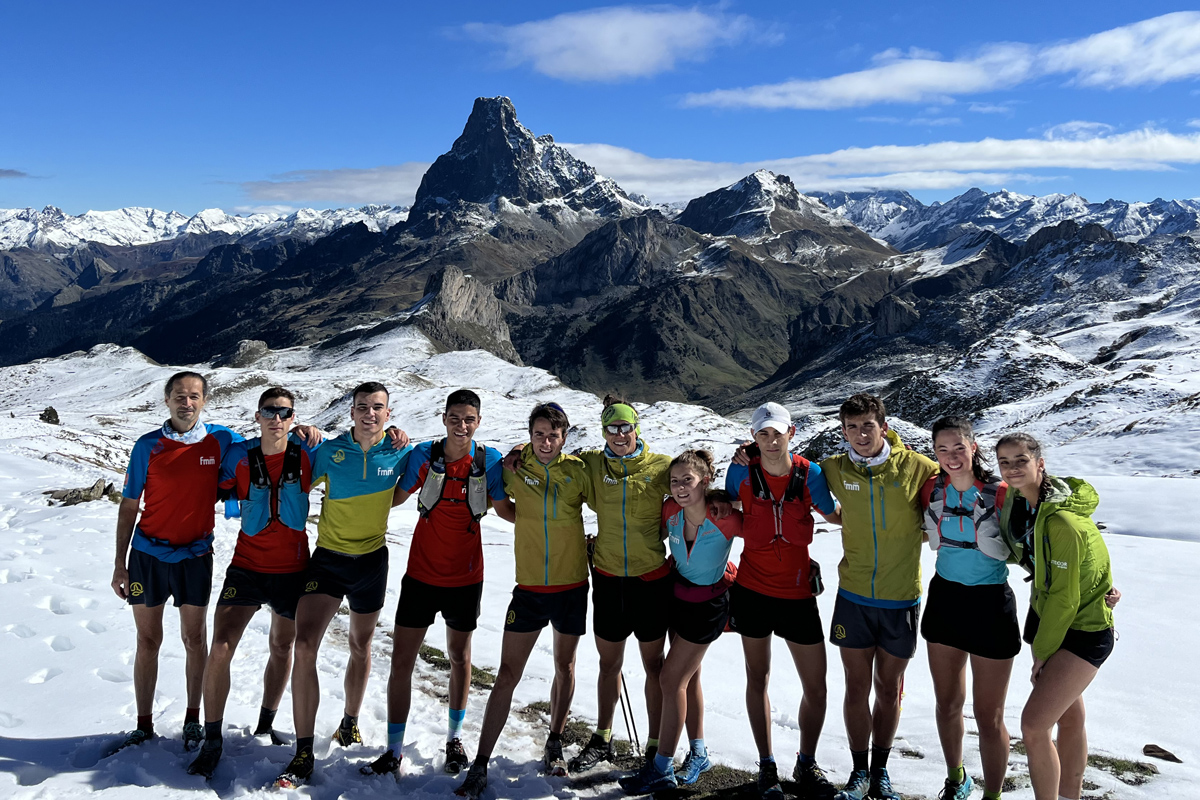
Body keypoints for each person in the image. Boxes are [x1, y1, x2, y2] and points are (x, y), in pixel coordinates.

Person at [360, 389, 507, 778]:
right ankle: (393, 749)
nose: (462, 426)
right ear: (444, 418)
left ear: (478, 422)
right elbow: (395, 497)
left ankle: (454, 739)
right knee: (402, 662)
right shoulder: (424, 456)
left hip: (466, 578)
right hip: (421, 576)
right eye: (455, 418)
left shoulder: (488, 460)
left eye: (469, 419)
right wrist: (368, 471)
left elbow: (507, 508)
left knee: (460, 657)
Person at [276, 381, 413, 788]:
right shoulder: (329, 452)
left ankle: (350, 723)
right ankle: (303, 751)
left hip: (372, 561)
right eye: (362, 408)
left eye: (377, 408)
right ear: (350, 412)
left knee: (361, 645)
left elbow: (419, 475)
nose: (369, 414)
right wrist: (300, 433)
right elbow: (289, 466)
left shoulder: (401, 450)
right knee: (304, 645)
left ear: (389, 415)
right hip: (329, 561)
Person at [455, 402, 590, 800]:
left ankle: (555, 739)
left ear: (564, 437)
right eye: (539, 434)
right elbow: (500, 506)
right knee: (507, 675)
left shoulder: (578, 472)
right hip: (529, 588)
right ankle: (480, 763)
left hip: (571, 587)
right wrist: (534, 520)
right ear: (530, 434)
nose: (546, 441)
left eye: (553, 435)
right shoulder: (514, 468)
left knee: (565, 666)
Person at [187, 387, 317, 778]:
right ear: (258, 416)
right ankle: (212, 739)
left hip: (293, 571)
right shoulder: (239, 457)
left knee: (283, 646)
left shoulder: (309, 455)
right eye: (269, 411)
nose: (276, 418)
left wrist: (394, 433)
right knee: (221, 646)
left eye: (284, 412)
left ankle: (265, 722)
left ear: (293, 417)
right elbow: (208, 476)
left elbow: (359, 447)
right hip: (246, 567)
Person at [110, 371, 243, 752]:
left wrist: (301, 431)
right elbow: (130, 506)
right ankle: (143, 724)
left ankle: (191, 719)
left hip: (195, 557)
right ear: (167, 401)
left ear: (204, 401)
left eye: (195, 396)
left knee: (193, 639)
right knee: (148, 640)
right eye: (180, 396)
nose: (187, 403)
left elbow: (268, 443)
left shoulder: (220, 442)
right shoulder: (147, 446)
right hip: (148, 556)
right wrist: (120, 564)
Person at [820, 394, 939, 800]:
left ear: (884, 427)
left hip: (901, 597)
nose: (859, 435)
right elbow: (789, 470)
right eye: (851, 428)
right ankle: (858, 772)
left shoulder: (918, 468)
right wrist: (749, 454)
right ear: (843, 431)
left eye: (867, 426)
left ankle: (881, 770)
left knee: (888, 688)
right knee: (856, 687)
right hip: (853, 595)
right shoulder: (834, 468)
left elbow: (966, 482)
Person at [726, 402, 840, 800]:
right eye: (763, 434)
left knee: (817, 687)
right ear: (753, 438)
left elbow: (834, 514)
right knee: (757, 678)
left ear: (792, 433)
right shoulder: (741, 470)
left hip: (796, 595)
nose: (771, 442)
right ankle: (767, 765)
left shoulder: (811, 474)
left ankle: (806, 762)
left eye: (777, 433)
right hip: (752, 591)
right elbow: (723, 506)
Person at [995, 433, 1115, 800]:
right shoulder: (1022, 502)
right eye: (1005, 462)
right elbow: (1030, 555)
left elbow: (1066, 596)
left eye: (1020, 460)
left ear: (1040, 464)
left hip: (1082, 629)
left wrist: (1044, 652)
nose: (1012, 469)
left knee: (1033, 726)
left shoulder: (1062, 519)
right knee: (1069, 717)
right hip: (1049, 621)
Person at [619, 449, 743, 795]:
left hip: (708, 607)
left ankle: (661, 767)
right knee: (689, 678)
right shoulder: (670, 511)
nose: (679, 487)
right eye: (674, 482)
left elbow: (764, 538)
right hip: (676, 598)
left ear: (704, 481)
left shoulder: (726, 518)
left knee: (671, 679)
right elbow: (645, 532)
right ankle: (699, 751)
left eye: (687, 480)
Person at [917, 417, 1017, 800]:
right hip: (945, 599)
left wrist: (1100, 585)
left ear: (974, 446)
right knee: (947, 705)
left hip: (990, 604)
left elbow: (1039, 541)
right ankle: (957, 779)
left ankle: (992, 795)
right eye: (942, 449)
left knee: (989, 718)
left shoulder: (1002, 493)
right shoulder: (930, 489)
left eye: (959, 447)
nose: (951, 456)